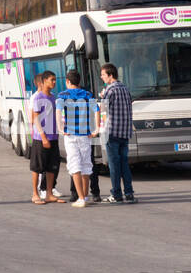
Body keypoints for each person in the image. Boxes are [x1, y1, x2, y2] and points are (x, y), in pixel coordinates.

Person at [55, 70, 100, 208]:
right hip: (85, 135)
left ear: (68, 81)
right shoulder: (87, 95)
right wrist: (97, 129)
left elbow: (58, 112)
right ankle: (85, 196)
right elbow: (97, 111)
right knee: (87, 165)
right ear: (79, 81)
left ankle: (80, 198)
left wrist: (60, 128)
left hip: (71, 135)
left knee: (75, 166)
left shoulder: (63, 95)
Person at [99, 63, 136, 203]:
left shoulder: (109, 90)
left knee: (114, 165)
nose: (102, 77)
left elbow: (103, 110)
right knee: (124, 164)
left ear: (110, 75)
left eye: (103, 75)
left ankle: (116, 194)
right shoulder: (125, 88)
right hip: (125, 132)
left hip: (112, 132)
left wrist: (102, 96)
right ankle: (129, 193)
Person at [29, 71, 63, 204]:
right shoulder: (38, 97)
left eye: (55, 80)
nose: (54, 82)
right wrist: (43, 137)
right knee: (37, 167)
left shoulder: (53, 97)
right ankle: (35, 194)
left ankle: (49, 193)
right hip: (40, 138)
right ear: (43, 82)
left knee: (51, 167)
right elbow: (35, 118)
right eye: (52, 80)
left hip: (53, 137)